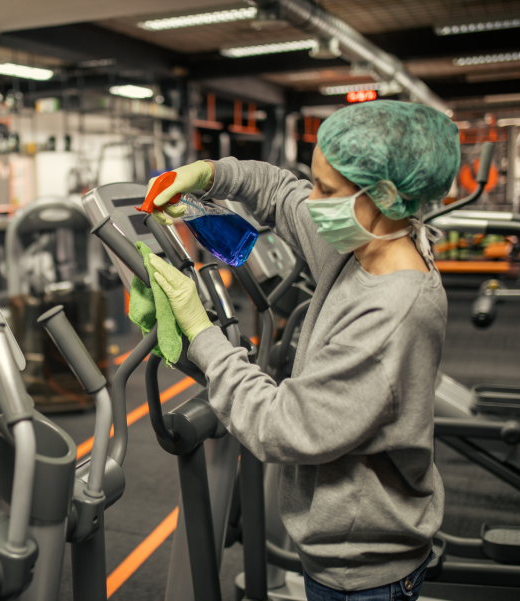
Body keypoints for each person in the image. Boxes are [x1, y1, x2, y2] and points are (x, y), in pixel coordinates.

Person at [145, 100, 460, 601]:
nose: (313, 202)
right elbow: (277, 191)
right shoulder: (364, 245)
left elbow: (280, 427)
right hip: (339, 550)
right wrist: (207, 175)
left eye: (328, 190)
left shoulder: (392, 313)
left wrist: (202, 334)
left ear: (384, 195)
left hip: (364, 575)